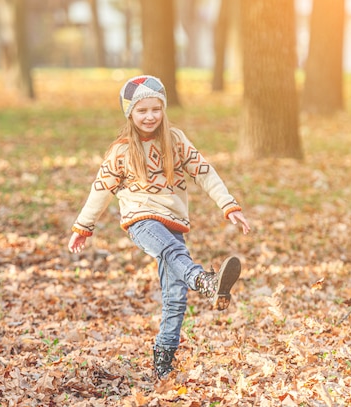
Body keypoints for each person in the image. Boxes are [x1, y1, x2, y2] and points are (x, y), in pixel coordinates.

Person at [68, 75, 250, 379]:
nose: (150, 116)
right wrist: (83, 226)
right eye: (142, 111)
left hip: (173, 221)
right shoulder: (121, 151)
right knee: (169, 249)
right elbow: (100, 190)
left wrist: (228, 205)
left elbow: (204, 173)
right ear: (130, 114)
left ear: (163, 109)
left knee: (175, 296)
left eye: (156, 109)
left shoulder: (176, 141)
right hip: (140, 220)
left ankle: (163, 360)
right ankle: (203, 280)